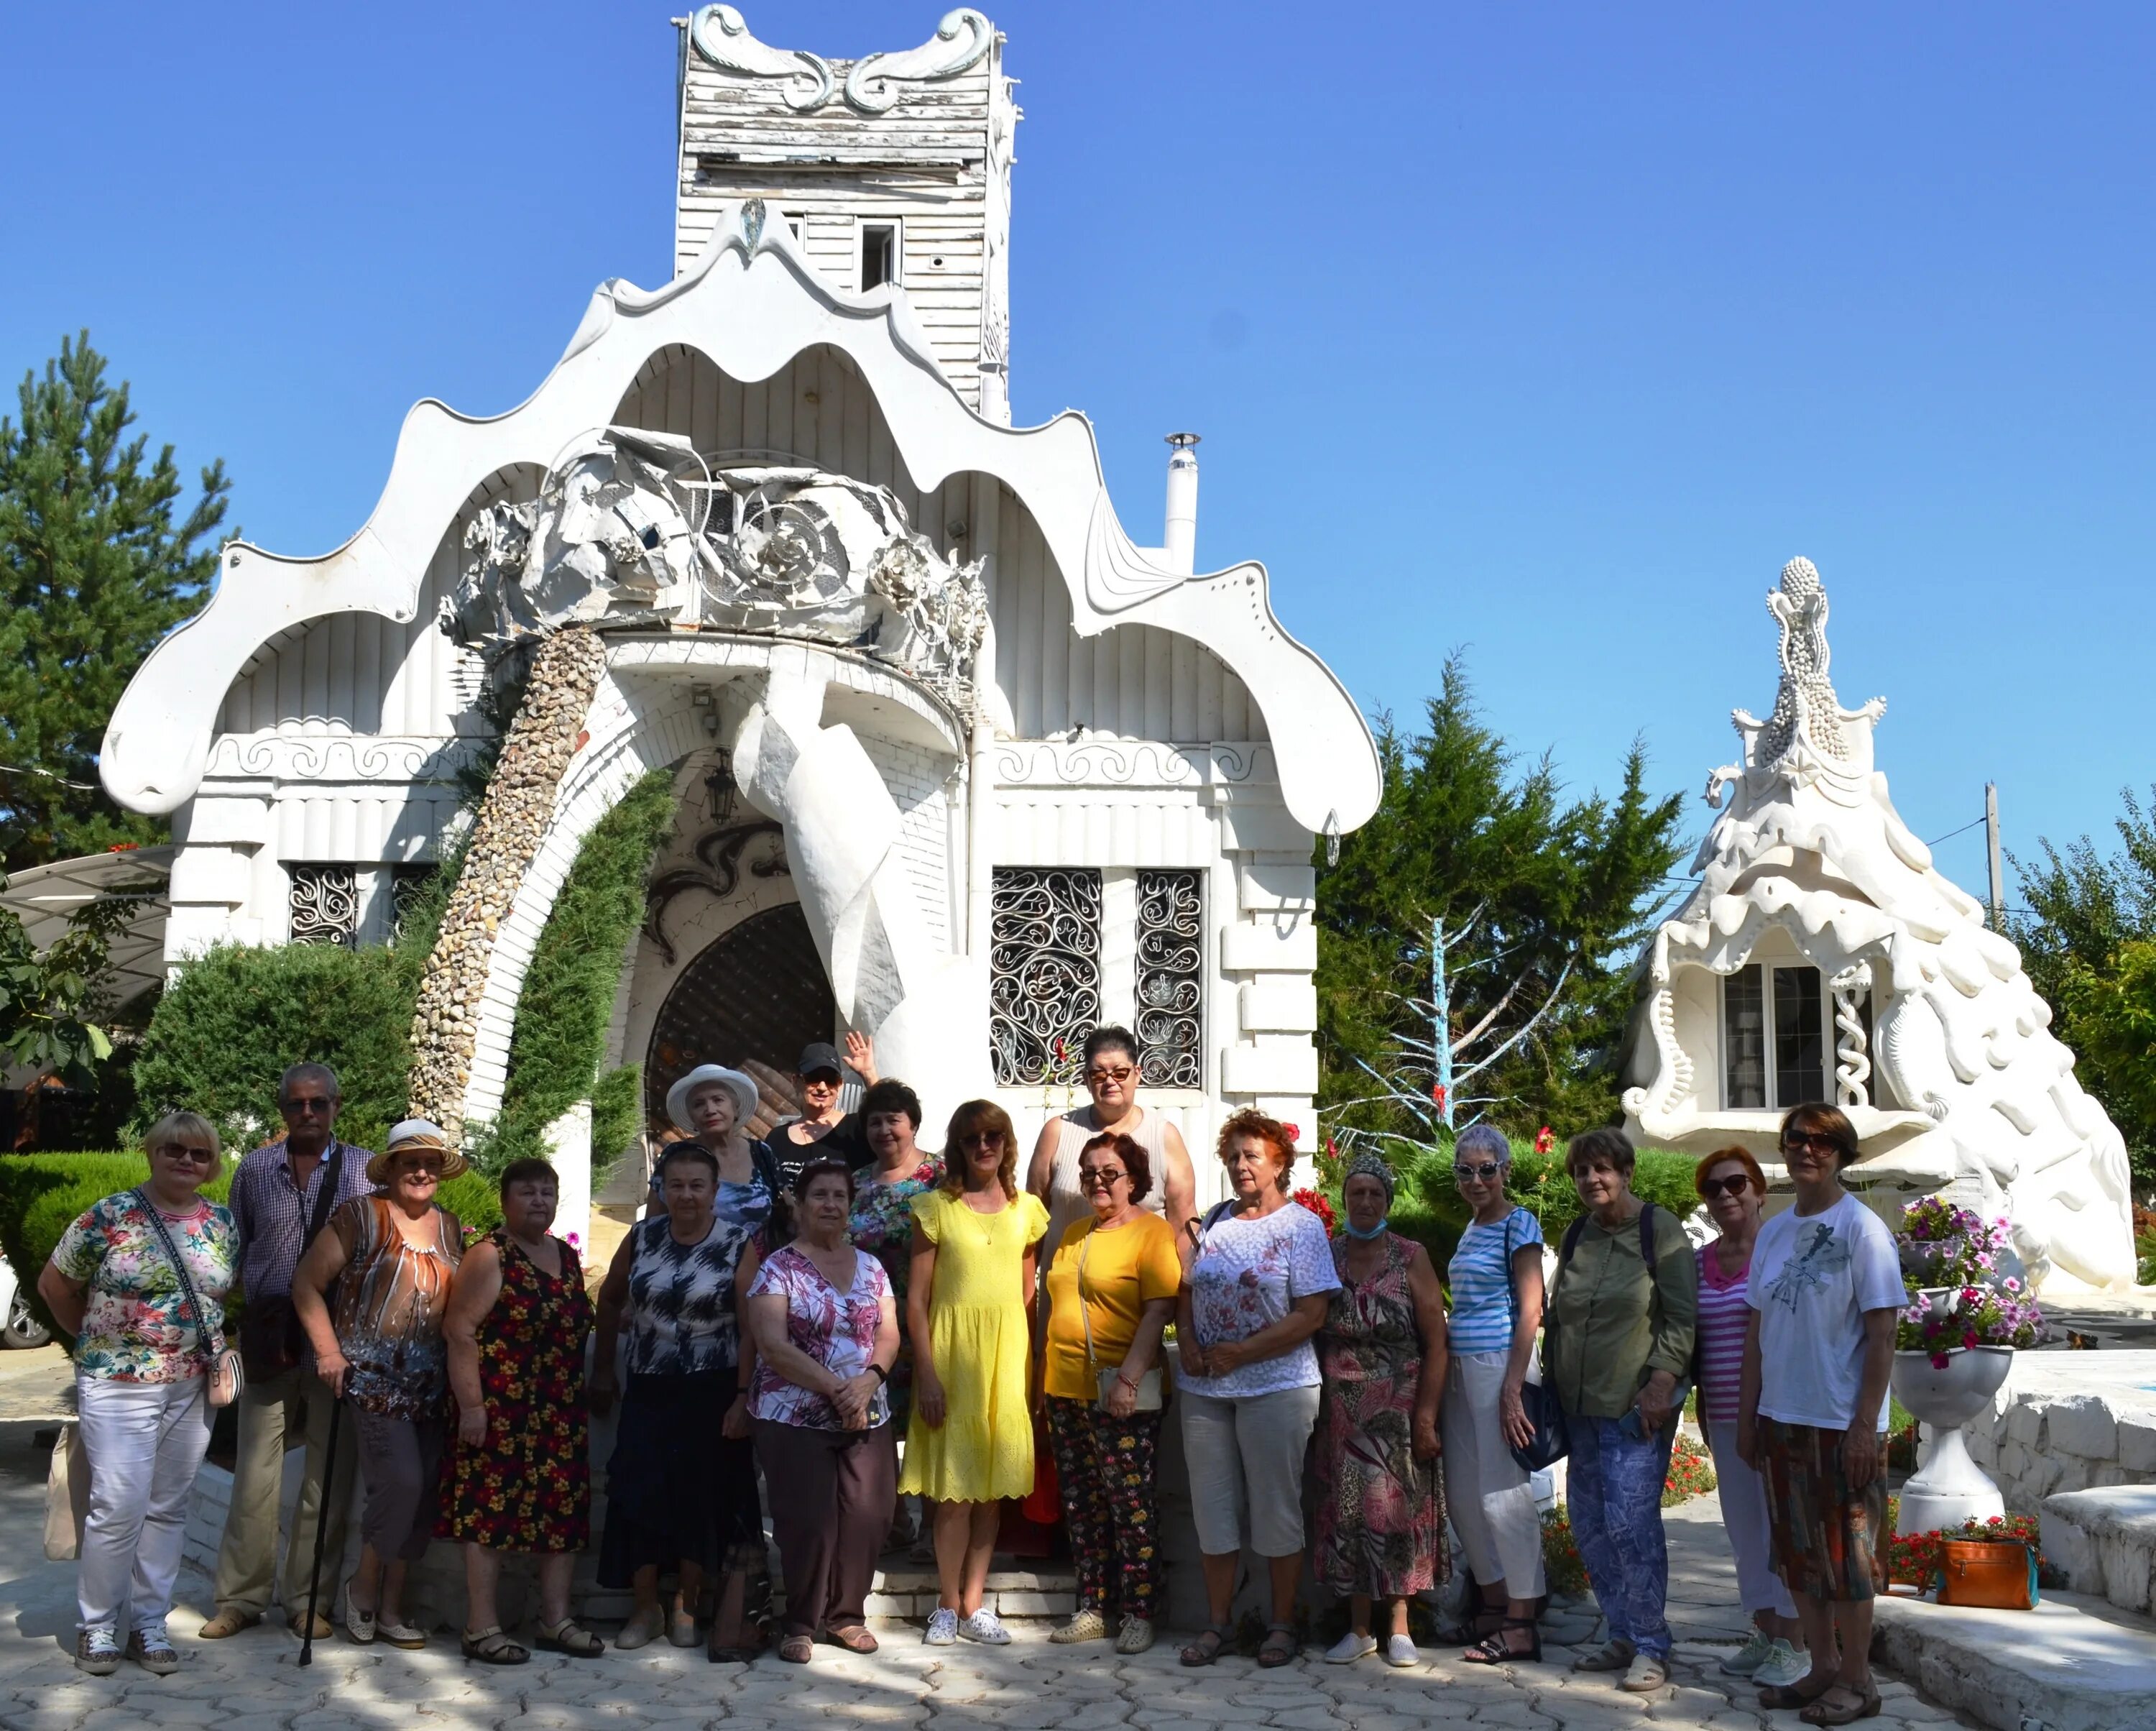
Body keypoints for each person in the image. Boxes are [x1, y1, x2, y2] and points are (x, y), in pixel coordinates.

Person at [40, 1113, 237, 1675]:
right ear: (152, 1153)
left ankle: (148, 1625)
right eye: (174, 1149)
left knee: (169, 1508)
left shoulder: (221, 1223)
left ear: (212, 1164)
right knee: (118, 1506)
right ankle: (98, 1628)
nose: (186, 1161)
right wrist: (94, 1341)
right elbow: (55, 1285)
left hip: (191, 1386)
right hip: (118, 1384)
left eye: (199, 1154)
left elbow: (220, 1296)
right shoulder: (111, 1215)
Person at [1738, 1105, 1902, 1727]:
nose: (1808, 1150)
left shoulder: (1864, 1231)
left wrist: (1866, 1424)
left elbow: (1882, 1334)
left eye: (1823, 1142)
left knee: (1849, 1560)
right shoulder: (1776, 1232)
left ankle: (1860, 1681)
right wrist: (1752, 1415)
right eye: (1797, 1139)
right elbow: (1757, 1330)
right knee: (1800, 1555)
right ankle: (1823, 1668)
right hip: (1783, 1416)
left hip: (1841, 1423)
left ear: (1842, 1154)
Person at [203, 1062, 374, 1642]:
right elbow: (237, 1248)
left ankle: (308, 1599)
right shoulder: (254, 1170)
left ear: (336, 1105)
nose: (308, 1113)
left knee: (329, 1473)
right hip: (271, 1335)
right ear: (283, 1110)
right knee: (254, 1471)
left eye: (318, 1103)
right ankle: (240, 1598)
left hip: (336, 1342)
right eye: (297, 1104)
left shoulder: (364, 1170)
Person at [292, 1119, 466, 1650]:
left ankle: (392, 1608)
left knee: (422, 1496)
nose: (420, 1171)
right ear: (390, 1168)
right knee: (401, 1485)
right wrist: (327, 1351)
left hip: (432, 1386)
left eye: (431, 1163)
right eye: (409, 1162)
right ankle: (361, 1589)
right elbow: (307, 1282)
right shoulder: (361, 1215)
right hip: (372, 1381)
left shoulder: (451, 1226)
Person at [1175, 1109, 1340, 1669]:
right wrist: (1193, 1343)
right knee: (1213, 1509)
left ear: (1278, 1163)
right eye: (1233, 1156)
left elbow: (1312, 1313)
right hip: (1206, 1388)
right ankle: (1218, 1624)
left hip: (1278, 1385)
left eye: (1252, 1155)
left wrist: (1243, 1352)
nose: (1241, 1165)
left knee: (1277, 1507)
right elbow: (1186, 1289)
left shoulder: (1301, 1227)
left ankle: (1281, 1624)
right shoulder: (1214, 1221)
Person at [592, 1140, 766, 1661]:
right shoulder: (643, 1236)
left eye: (697, 1185)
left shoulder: (738, 1242)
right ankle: (644, 1607)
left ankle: (688, 1605)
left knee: (699, 1498)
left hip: (712, 1388)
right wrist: (602, 1367)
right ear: (662, 1190)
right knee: (638, 1492)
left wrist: (742, 1396)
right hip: (649, 1384)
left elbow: (752, 1326)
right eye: (676, 1185)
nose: (686, 1195)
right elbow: (609, 1297)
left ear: (715, 1191)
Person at [1541, 1126, 1697, 1694]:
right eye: (1583, 1171)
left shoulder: (1661, 1230)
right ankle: (1624, 1632)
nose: (1592, 1179)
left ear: (1627, 1173)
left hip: (1635, 1409)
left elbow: (1682, 1317)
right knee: (1590, 1527)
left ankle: (1654, 1646)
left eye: (1603, 1169)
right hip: (1579, 1409)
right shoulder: (1578, 1232)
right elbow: (1559, 1313)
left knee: (1633, 1527)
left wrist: (1660, 1383)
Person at [438, 1157, 602, 1664]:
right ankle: (480, 1626)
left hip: (559, 1409)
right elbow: (459, 1330)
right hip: (500, 1409)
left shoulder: (566, 1257)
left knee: (564, 1515)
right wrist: (472, 1406)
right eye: (527, 1192)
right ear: (506, 1202)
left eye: (547, 1192)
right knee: (488, 1515)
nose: (539, 1201)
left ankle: (555, 1620)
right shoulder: (491, 1255)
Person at [900, 1100, 1049, 1646]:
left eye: (993, 1136)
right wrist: (930, 1377)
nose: (983, 1146)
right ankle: (944, 1604)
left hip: (1005, 1363)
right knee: (955, 1494)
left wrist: (1032, 1377)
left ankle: (973, 1604)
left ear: (1008, 1142)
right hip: (952, 1360)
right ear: (958, 1146)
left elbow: (1029, 1300)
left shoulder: (1027, 1210)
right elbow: (917, 1302)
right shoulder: (935, 1208)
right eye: (971, 1138)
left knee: (991, 1494)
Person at [743, 1160, 901, 1664]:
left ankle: (847, 1617)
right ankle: (803, 1622)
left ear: (850, 1206)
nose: (830, 1205)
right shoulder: (778, 1267)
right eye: (820, 1196)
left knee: (870, 1514)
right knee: (808, 1520)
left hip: (866, 1411)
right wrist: (839, 1389)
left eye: (839, 1196)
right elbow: (771, 1344)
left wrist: (869, 1380)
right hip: (793, 1413)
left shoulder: (872, 1267)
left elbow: (889, 1333)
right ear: (800, 1203)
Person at [1038, 1131, 1180, 1656]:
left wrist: (1126, 1379)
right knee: (1083, 1505)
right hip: (1066, 1388)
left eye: (1110, 1173)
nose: (1098, 1181)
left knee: (1131, 1505)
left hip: (1122, 1391)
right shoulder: (1075, 1232)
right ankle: (1094, 1607)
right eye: (1090, 1172)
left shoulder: (1152, 1233)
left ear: (1134, 1179)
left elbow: (1159, 1311)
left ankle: (1141, 1612)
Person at [1311, 1151, 1449, 1668]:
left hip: (1398, 1407)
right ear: (1344, 1200)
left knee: (1397, 1513)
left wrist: (1428, 1415)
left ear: (1388, 1201)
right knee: (1348, 1516)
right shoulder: (1329, 1254)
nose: (1365, 1201)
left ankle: (1401, 1626)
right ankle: (1359, 1628)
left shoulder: (1410, 1256)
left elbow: (1437, 1342)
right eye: (1356, 1192)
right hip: (1342, 1410)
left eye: (1375, 1193)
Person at [1693, 1146, 1808, 1690]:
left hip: (1776, 1413)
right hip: (1721, 1414)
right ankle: (1764, 1634)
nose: (1725, 1196)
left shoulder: (1781, 1254)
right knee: (1744, 1532)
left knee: (1783, 1530)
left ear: (1760, 1190)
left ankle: (1795, 1643)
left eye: (1736, 1184)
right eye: (1713, 1189)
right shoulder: (1700, 1262)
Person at [1441, 1122, 1549, 1663]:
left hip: (1500, 1364)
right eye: (1466, 1170)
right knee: (1462, 1493)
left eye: (1487, 1169)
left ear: (1506, 1171)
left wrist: (1513, 1386)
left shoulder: (1518, 1223)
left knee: (1504, 1492)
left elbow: (1532, 1307)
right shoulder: (1470, 1227)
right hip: (1461, 1367)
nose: (1477, 1179)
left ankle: (1522, 1620)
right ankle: (1491, 1604)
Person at [1028, 1025, 1197, 1249]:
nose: (1109, 1082)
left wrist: (1187, 1280)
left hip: (1141, 1282)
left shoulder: (1164, 1136)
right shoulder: (1057, 1132)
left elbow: (1184, 1224)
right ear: (1086, 1080)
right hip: (1064, 1279)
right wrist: (1027, 1284)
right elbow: (1033, 1222)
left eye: (1119, 1073)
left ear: (1137, 1074)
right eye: (1098, 1074)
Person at [847, 1078, 941, 1433]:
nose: (884, 1130)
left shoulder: (940, 1177)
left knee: (930, 1428)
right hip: (868, 1330)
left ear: (913, 1124)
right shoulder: (854, 1183)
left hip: (925, 1324)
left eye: (893, 1120)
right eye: (875, 1122)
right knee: (876, 1431)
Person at [657, 1063, 780, 1228]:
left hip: (761, 1254)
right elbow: (653, 1223)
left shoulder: (761, 1153)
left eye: (718, 1100)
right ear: (691, 1117)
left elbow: (791, 1213)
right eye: (699, 1104)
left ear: (736, 1109)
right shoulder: (675, 1155)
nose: (710, 1110)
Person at [769, 1034, 880, 1188]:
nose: (822, 1087)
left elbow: (892, 1117)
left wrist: (869, 1075)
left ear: (840, 1085)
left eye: (830, 1080)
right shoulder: (777, 1138)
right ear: (796, 1081)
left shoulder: (857, 1129)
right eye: (813, 1078)